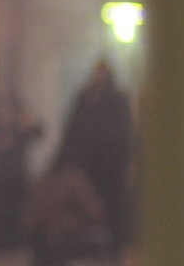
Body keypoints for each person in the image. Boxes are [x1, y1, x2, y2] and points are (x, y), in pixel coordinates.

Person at [49, 60, 136, 250]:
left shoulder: (117, 100)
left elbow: (123, 133)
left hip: (111, 167)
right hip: (89, 167)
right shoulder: (86, 98)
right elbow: (73, 130)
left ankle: (114, 248)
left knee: (113, 210)